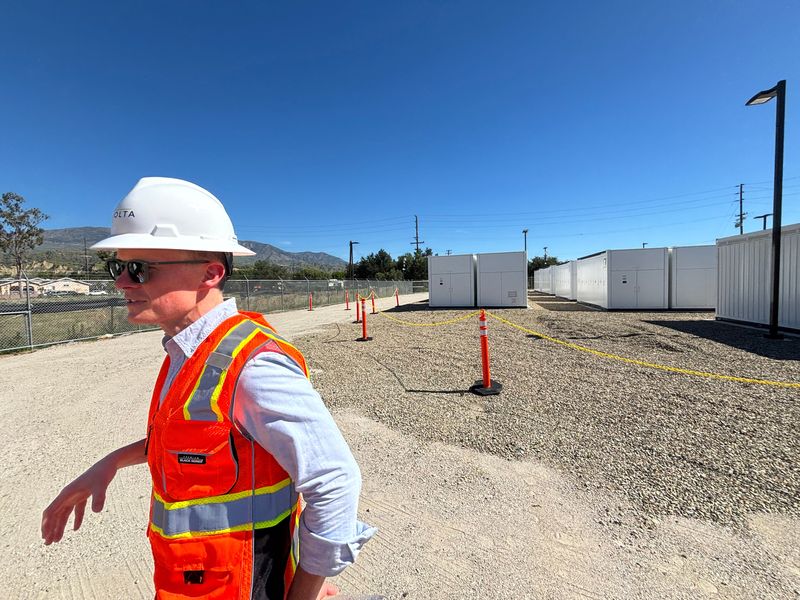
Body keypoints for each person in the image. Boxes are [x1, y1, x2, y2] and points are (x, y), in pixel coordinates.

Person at [41, 177, 374, 600]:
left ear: (211, 273)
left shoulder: (252, 366)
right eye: (118, 267)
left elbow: (335, 481)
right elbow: (191, 442)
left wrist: (305, 591)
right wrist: (109, 462)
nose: (122, 283)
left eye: (139, 268)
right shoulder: (188, 352)